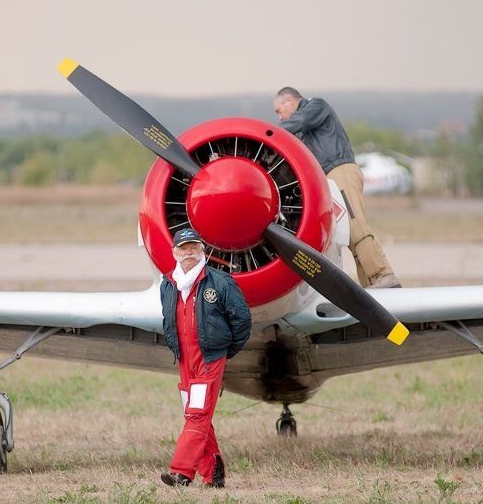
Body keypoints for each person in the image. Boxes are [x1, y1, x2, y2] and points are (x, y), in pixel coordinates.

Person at [273, 87, 401, 289]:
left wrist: (269, 133)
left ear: (290, 101)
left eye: (279, 111)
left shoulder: (315, 106)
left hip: (340, 171)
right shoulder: (305, 129)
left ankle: (383, 275)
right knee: (349, 234)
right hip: (331, 178)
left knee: (355, 225)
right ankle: (374, 285)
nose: (280, 118)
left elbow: (298, 122)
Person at [159, 228, 252, 488]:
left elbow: (242, 320)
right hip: (185, 360)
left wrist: (225, 351)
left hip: (210, 358)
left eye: (193, 248)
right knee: (193, 411)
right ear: (175, 252)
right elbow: (168, 320)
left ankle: (181, 473)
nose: (189, 253)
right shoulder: (168, 284)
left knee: (198, 413)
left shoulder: (221, 283)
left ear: (202, 251)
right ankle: (214, 472)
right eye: (184, 248)